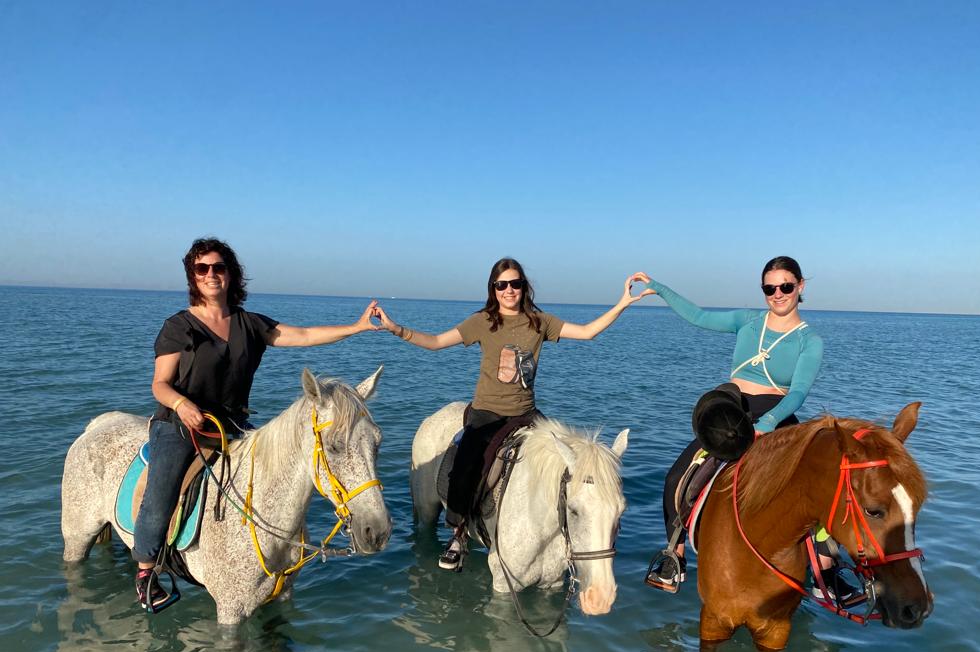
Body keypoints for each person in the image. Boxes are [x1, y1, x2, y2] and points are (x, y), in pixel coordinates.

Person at [132, 237, 380, 610]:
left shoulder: (248, 324)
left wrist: (356, 327)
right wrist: (182, 404)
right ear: (193, 276)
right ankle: (146, 571)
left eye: (219, 267)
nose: (211, 274)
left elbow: (304, 336)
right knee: (161, 494)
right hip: (181, 425)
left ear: (231, 274)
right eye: (202, 268)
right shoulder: (178, 327)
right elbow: (160, 384)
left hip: (232, 427)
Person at [373, 258, 646, 570]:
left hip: (526, 414)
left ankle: (563, 534)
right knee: (465, 465)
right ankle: (458, 534)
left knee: (563, 464)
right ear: (493, 289)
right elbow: (436, 342)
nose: (509, 290)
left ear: (523, 287)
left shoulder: (539, 322)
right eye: (501, 285)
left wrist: (622, 303)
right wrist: (395, 329)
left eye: (515, 283)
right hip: (487, 412)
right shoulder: (482, 322)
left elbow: (587, 332)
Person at [637, 257, 851, 598]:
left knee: (820, 483)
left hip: (777, 414)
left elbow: (798, 392)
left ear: (800, 286)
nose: (777, 294)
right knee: (676, 476)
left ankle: (827, 572)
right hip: (731, 412)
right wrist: (659, 289)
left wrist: (769, 422)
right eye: (769, 287)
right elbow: (699, 317)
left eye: (785, 286)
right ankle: (674, 557)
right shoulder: (748, 321)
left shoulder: (809, 340)